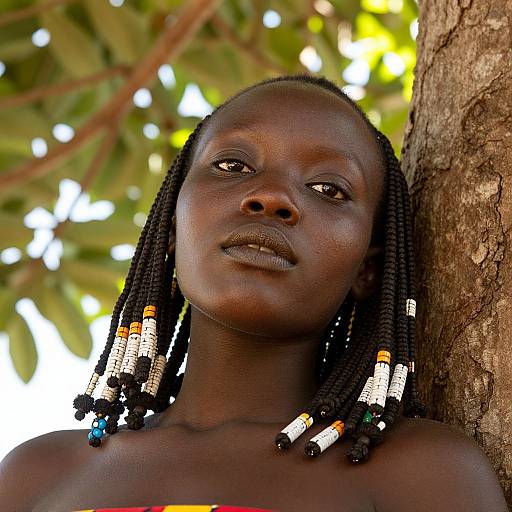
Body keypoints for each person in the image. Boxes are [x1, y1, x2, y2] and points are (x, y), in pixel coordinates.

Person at [0, 74, 507, 512]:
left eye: (329, 188)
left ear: (367, 271)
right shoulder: (38, 474)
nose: (271, 197)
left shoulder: (424, 473)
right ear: (171, 228)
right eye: (232, 166)